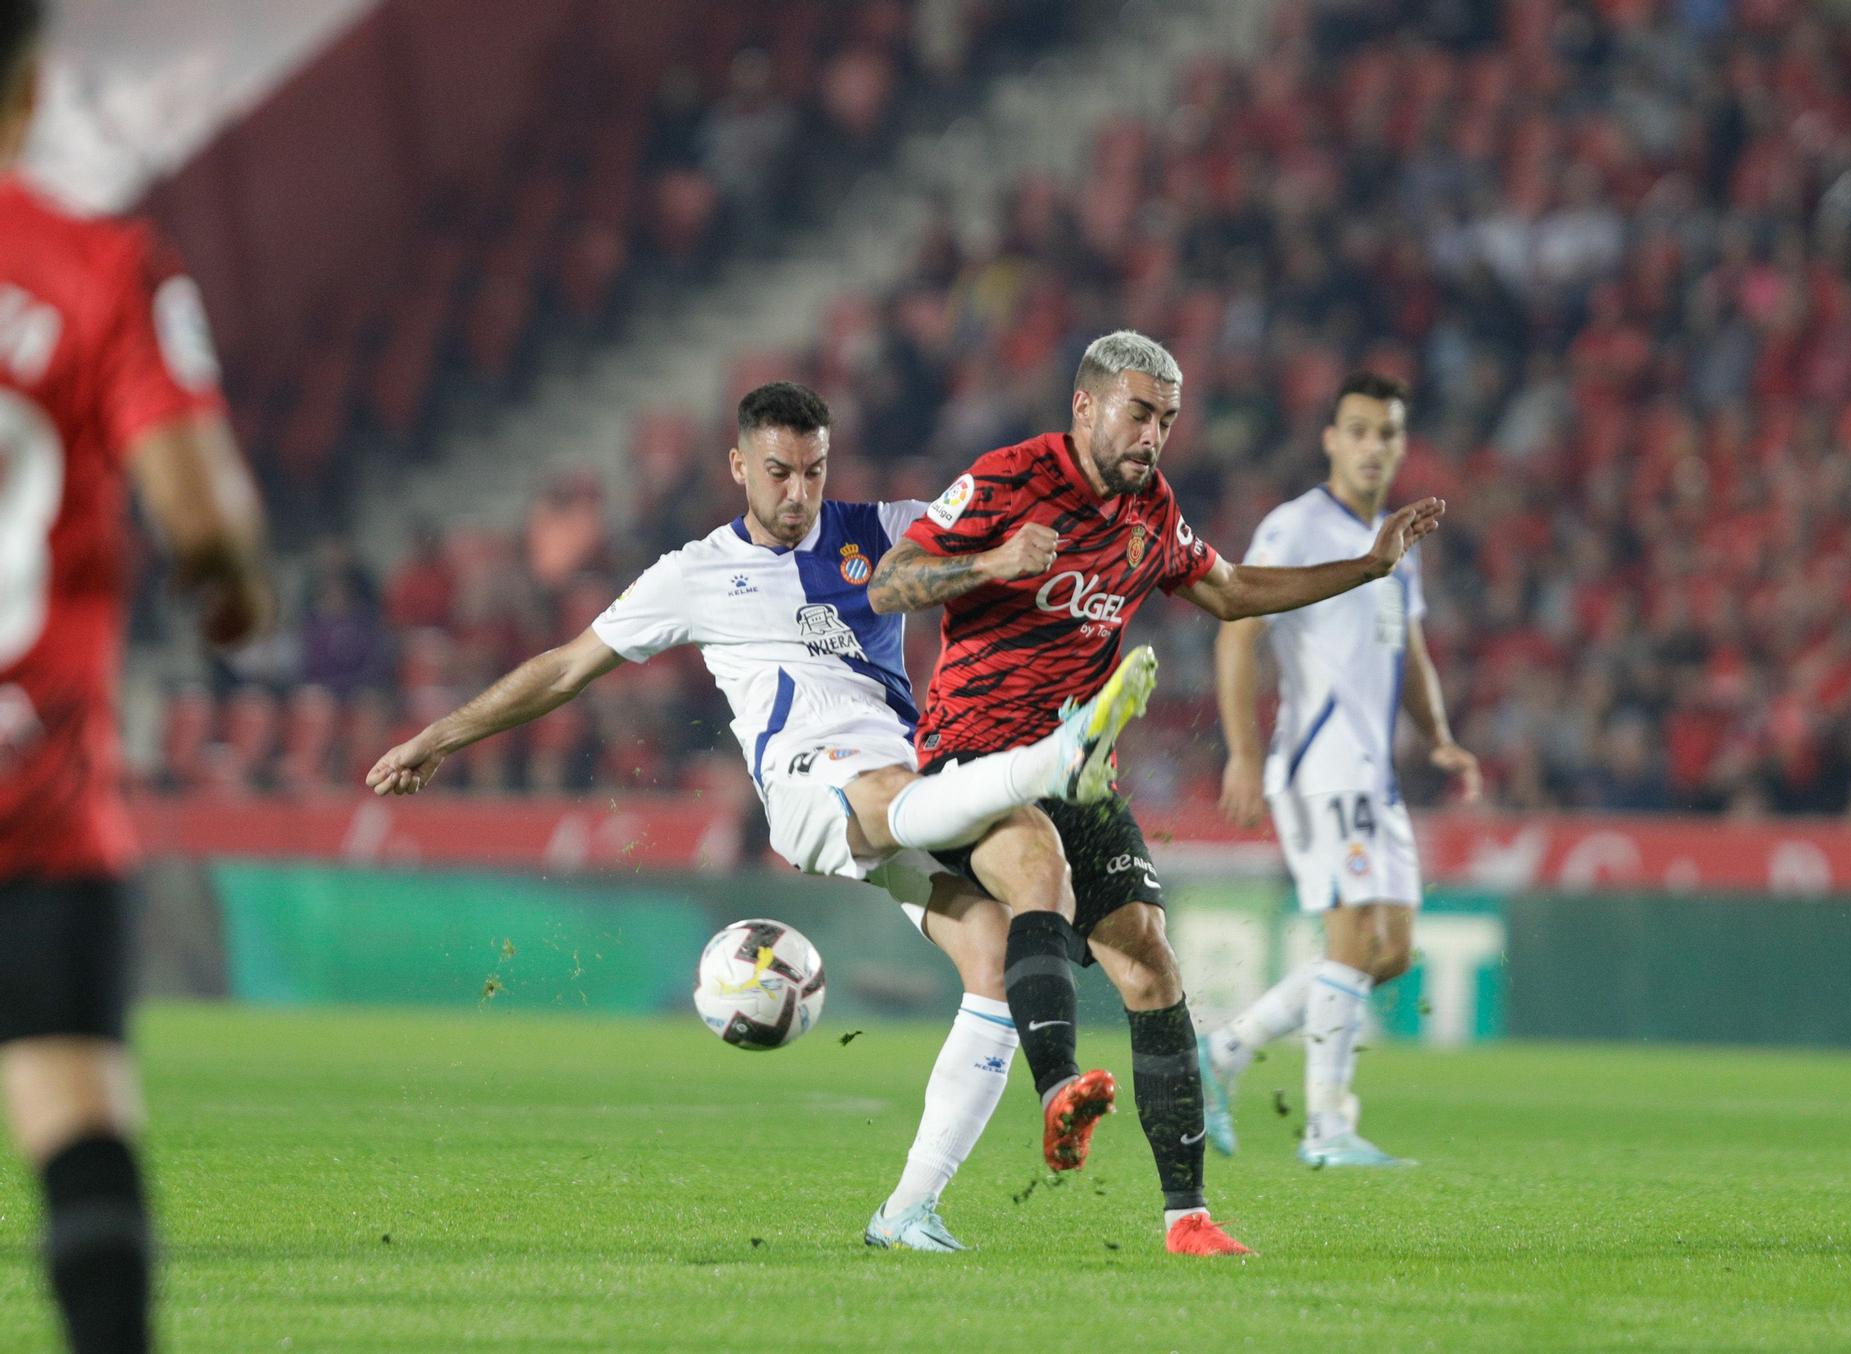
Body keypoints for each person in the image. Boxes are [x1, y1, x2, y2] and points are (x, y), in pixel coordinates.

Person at [366, 382, 1155, 1253]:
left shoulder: (887, 531)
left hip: (916, 785)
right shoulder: (694, 573)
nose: (797, 494)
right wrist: (442, 734)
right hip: (814, 788)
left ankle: (909, 1210)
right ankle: (1048, 764)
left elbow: (1000, 542)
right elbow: (564, 668)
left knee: (1016, 897)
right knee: (923, 793)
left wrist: (1068, 533)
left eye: (814, 472)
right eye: (778, 472)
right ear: (739, 465)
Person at [869, 331, 1443, 1256]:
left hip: (1077, 766)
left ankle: (1189, 1218)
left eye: (1167, 419)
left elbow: (1234, 590)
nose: (1155, 435)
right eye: (1140, 413)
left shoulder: (1153, 511)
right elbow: (893, 583)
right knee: (1035, 867)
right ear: (1085, 405)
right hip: (974, 754)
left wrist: (1367, 567)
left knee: (1149, 960)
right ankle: (1058, 1085)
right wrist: (992, 564)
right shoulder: (1008, 481)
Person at [0, 4, 275, 1349]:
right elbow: (209, 526)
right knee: (74, 1107)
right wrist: (230, 593)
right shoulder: (100, 269)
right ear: (32, 87)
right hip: (36, 793)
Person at [1201, 371, 1482, 1168]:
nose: (1372, 446)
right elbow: (1237, 631)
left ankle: (1223, 1052)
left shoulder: (1400, 542)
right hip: (1321, 762)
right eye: (1357, 430)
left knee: (1390, 949)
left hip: (1376, 774)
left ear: (1401, 444)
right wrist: (1245, 754)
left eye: (1387, 432)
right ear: (1330, 439)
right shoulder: (1295, 528)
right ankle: (1327, 1127)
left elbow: (1413, 647)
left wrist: (1439, 736)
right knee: (1355, 934)